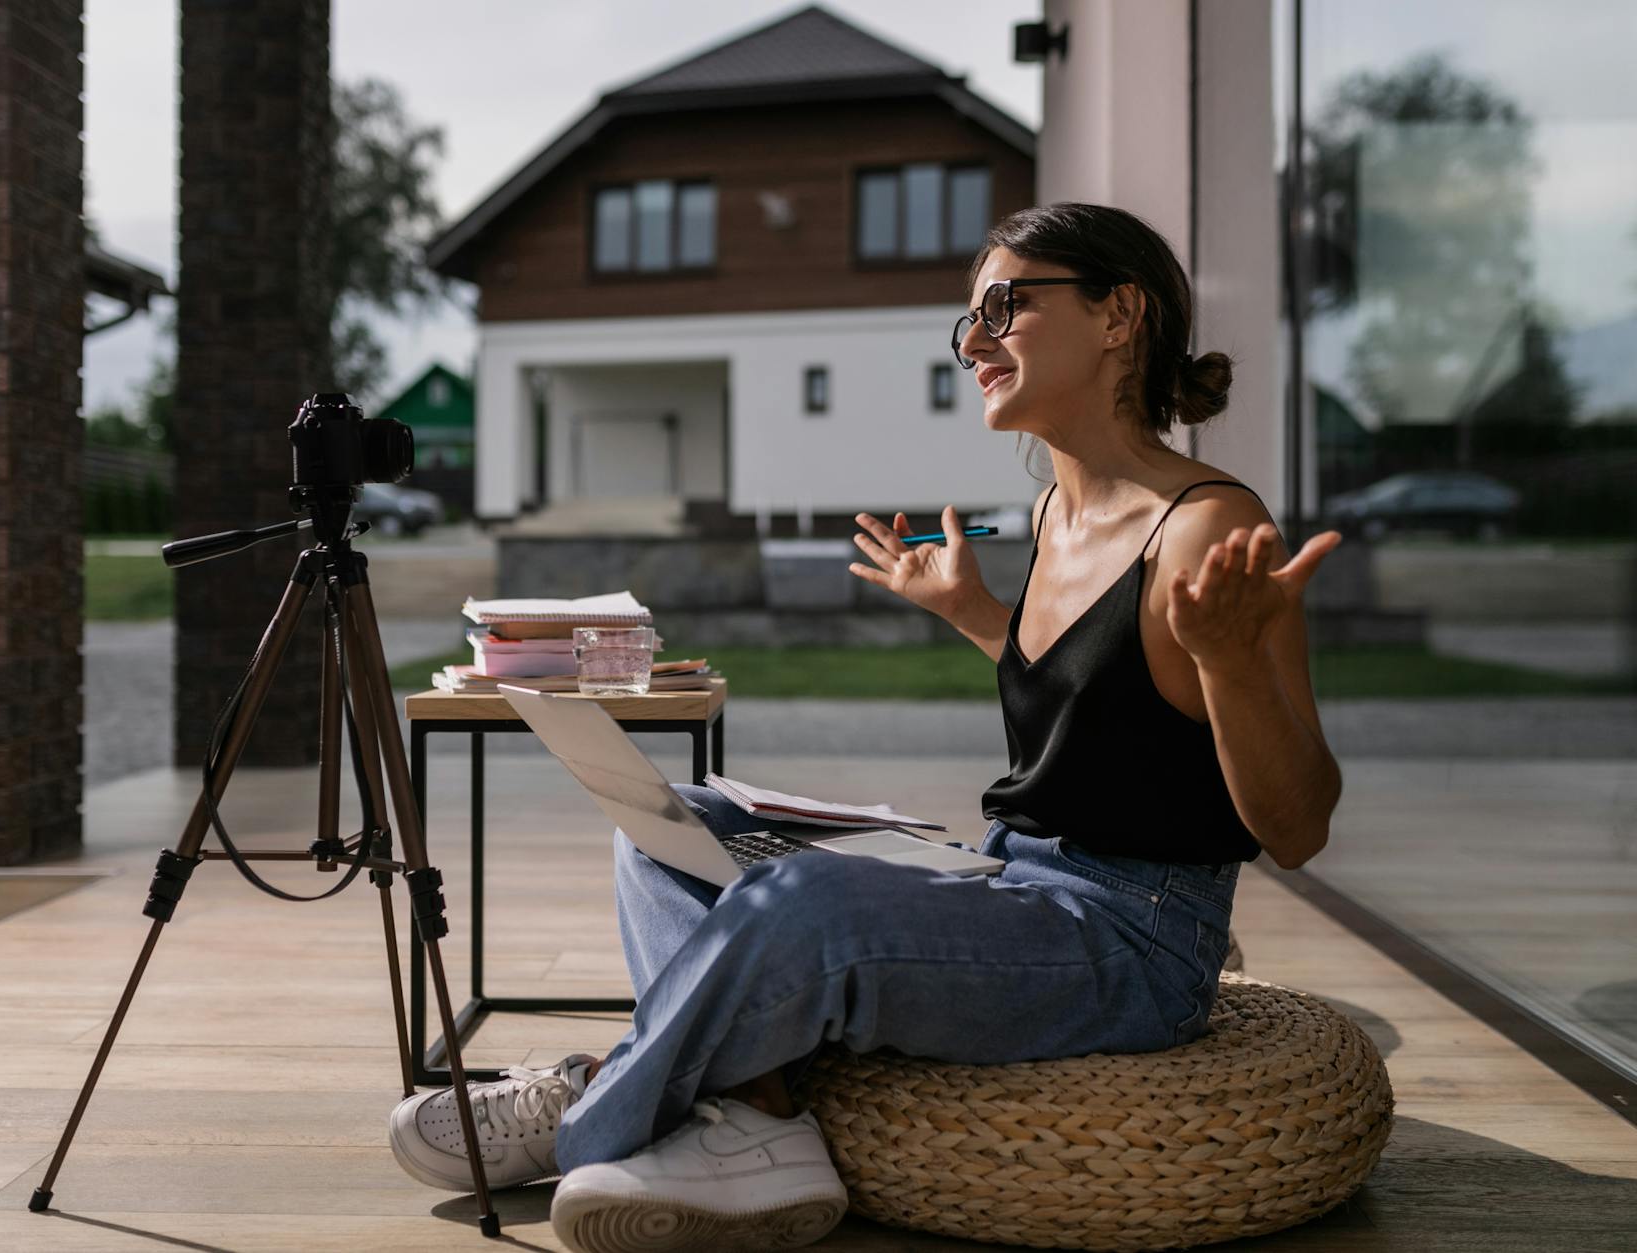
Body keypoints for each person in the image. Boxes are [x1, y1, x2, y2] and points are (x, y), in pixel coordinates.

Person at [389, 202, 1345, 1253]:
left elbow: (1296, 823)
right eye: (965, 322)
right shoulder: (1051, 512)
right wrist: (978, 617)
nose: (973, 343)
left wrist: (1224, 659)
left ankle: (591, 1112)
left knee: (804, 903)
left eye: (999, 306)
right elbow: (1109, 715)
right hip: (1011, 881)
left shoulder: (1211, 527)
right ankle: (748, 1114)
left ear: (1118, 314)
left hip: (1128, 937)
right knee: (670, 822)